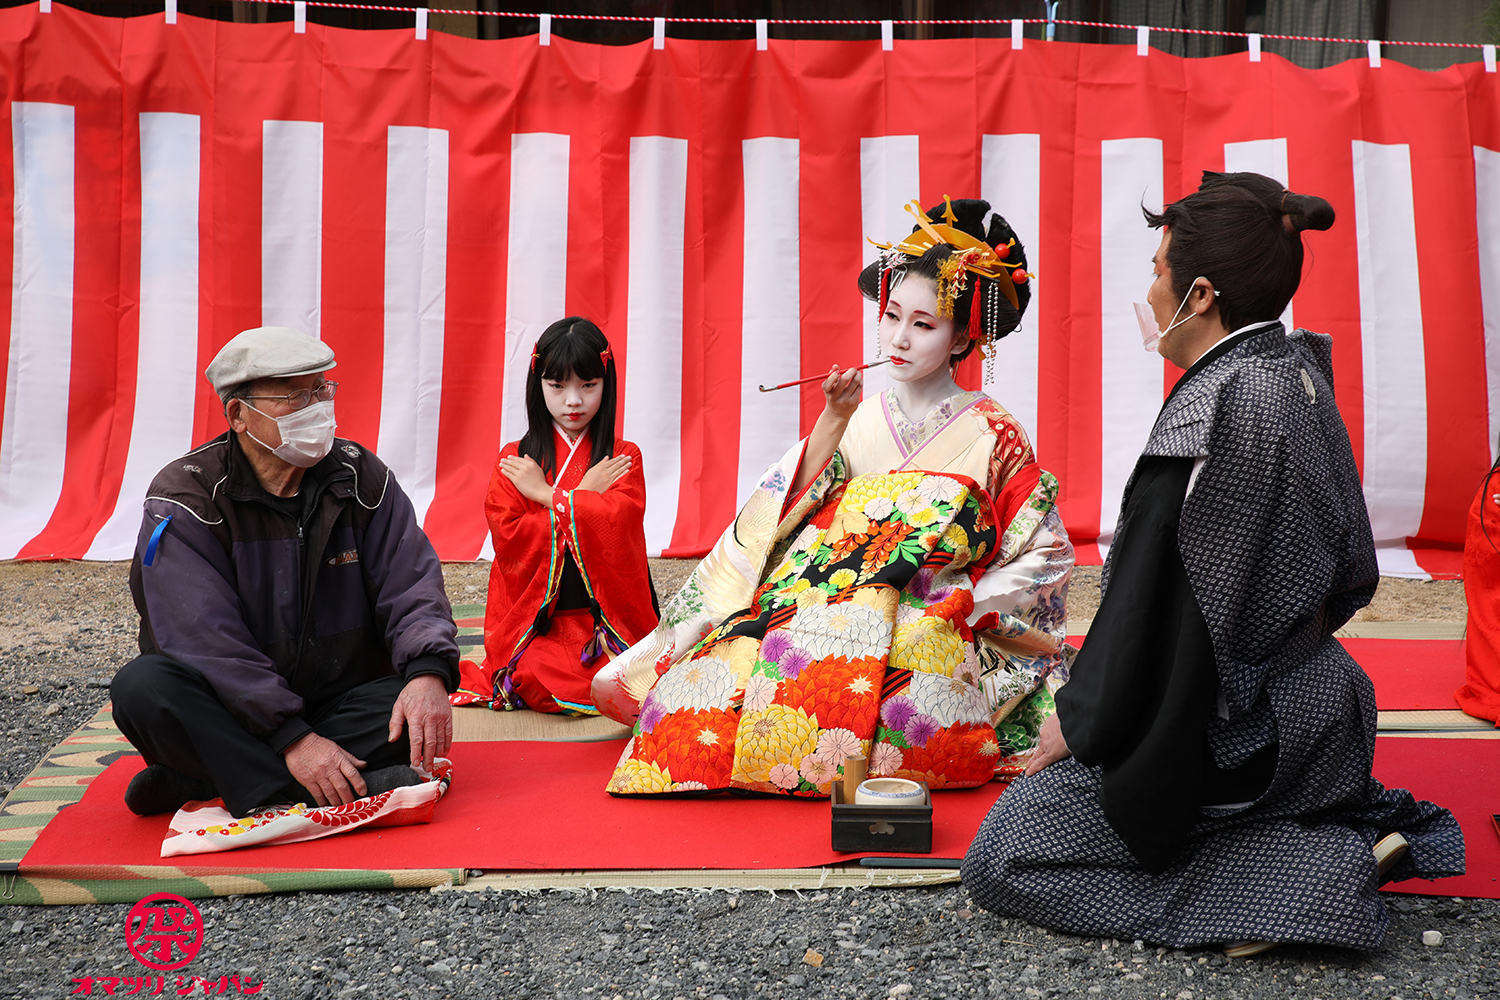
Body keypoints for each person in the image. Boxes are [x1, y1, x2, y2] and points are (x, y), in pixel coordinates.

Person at [962, 172, 1464, 952]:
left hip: (1243, 735)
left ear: (1199, 294)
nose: (1149, 288)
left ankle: (1317, 876)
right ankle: (1318, 828)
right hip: (1325, 710)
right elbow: (1356, 571)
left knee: (1007, 850)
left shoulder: (1212, 414)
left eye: (1157, 271)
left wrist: (1081, 721)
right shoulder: (1296, 371)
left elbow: (1159, 625)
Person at [598, 198, 1073, 796]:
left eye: (923, 325)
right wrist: (831, 419)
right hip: (827, 601)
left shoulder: (996, 433)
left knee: (911, 689)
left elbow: (1045, 553)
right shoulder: (859, 417)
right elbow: (782, 514)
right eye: (891, 315)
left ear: (962, 338)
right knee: (712, 696)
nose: (898, 338)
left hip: (936, 612)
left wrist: (972, 602)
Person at [111, 326, 460, 819]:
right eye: (294, 397)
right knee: (142, 688)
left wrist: (427, 673)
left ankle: (219, 778)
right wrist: (291, 738)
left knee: (411, 709)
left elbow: (412, 582)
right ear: (238, 414)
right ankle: (325, 786)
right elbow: (203, 638)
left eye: (321, 390)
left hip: (337, 698)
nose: (317, 408)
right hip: (232, 711)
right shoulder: (186, 497)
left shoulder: (361, 478)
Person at [458, 316, 658, 714]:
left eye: (588, 385)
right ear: (539, 385)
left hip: (602, 621)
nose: (573, 400)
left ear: (607, 384)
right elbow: (509, 534)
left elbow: (619, 526)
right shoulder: (515, 459)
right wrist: (582, 498)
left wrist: (546, 496)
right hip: (541, 622)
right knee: (533, 677)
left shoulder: (623, 457)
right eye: (557, 386)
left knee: (631, 675)